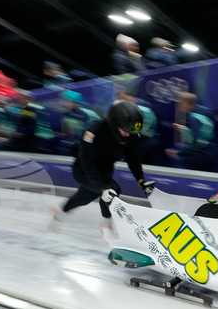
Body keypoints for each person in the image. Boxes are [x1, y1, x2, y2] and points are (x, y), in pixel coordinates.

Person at [52, 100, 155, 240]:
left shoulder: (131, 135)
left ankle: (60, 212)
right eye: (125, 131)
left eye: (131, 133)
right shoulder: (93, 131)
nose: (127, 135)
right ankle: (106, 225)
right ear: (114, 123)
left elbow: (133, 160)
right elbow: (87, 162)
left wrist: (141, 180)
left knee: (85, 196)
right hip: (84, 169)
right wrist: (103, 187)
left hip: (105, 171)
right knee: (112, 190)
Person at [166, 92, 217, 171]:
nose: (178, 106)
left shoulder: (194, 117)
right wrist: (184, 129)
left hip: (203, 153)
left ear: (187, 103)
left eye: (180, 103)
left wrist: (179, 153)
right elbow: (200, 133)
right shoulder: (202, 112)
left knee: (179, 162)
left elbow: (199, 142)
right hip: (209, 152)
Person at [55, 90, 100, 156]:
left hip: (77, 144)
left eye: (79, 103)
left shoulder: (83, 115)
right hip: (63, 143)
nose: (78, 105)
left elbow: (88, 130)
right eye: (75, 103)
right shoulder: (61, 113)